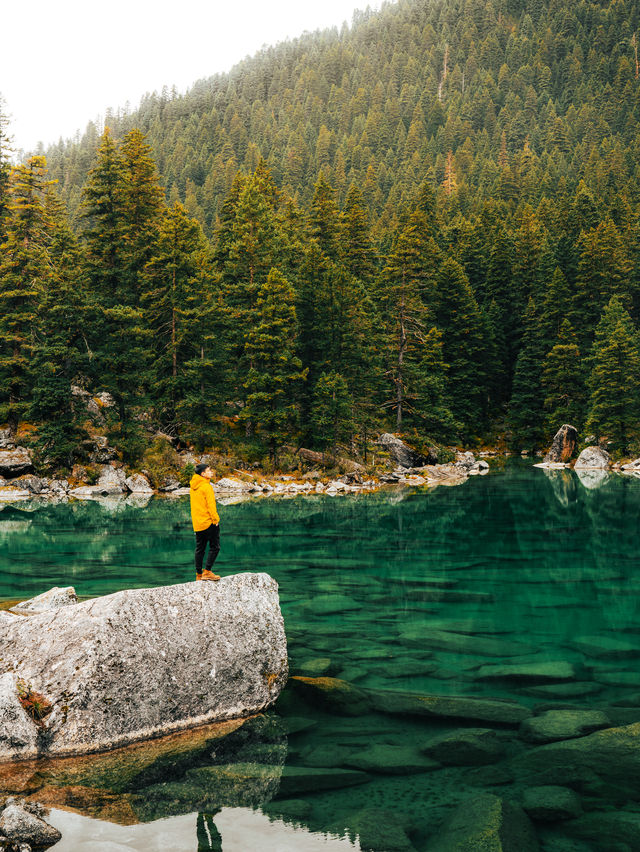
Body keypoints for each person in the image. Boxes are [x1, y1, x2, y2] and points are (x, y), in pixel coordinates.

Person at [190, 463, 221, 581]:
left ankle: (198, 574)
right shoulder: (206, 487)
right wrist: (215, 519)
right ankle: (207, 571)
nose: (211, 472)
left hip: (198, 523)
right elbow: (211, 506)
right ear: (203, 474)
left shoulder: (193, 487)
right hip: (208, 522)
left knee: (200, 549)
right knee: (215, 547)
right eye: (209, 470)